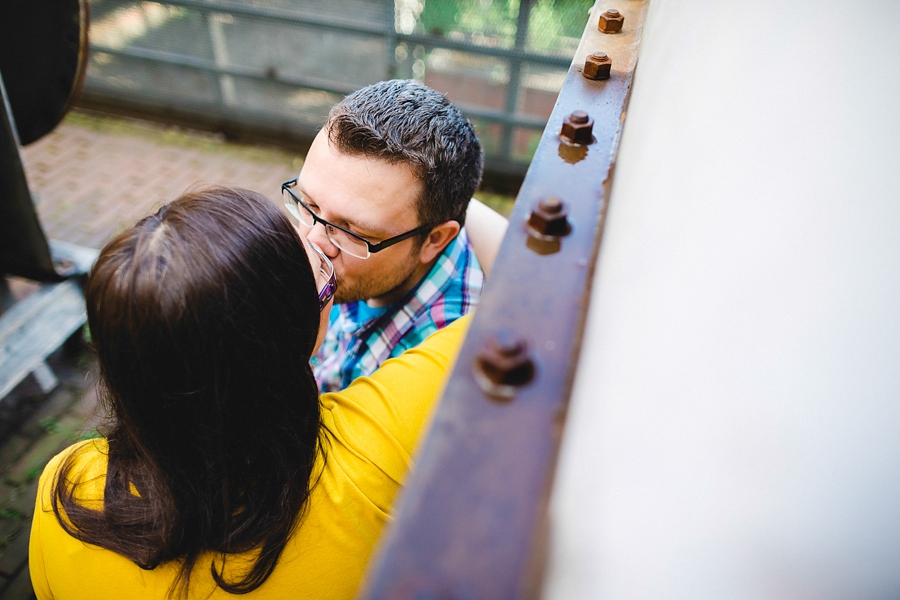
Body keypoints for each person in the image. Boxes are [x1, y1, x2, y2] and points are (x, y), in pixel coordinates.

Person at [28, 187, 472, 599]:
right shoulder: (374, 449)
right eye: (321, 281)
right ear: (291, 337)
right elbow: (527, 300)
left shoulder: (62, 495)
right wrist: (445, 197)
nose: (319, 240)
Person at [284, 79, 486, 392]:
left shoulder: (432, 373)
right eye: (308, 203)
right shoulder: (377, 251)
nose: (313, 241)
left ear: (434, 240)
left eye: (350, 231)